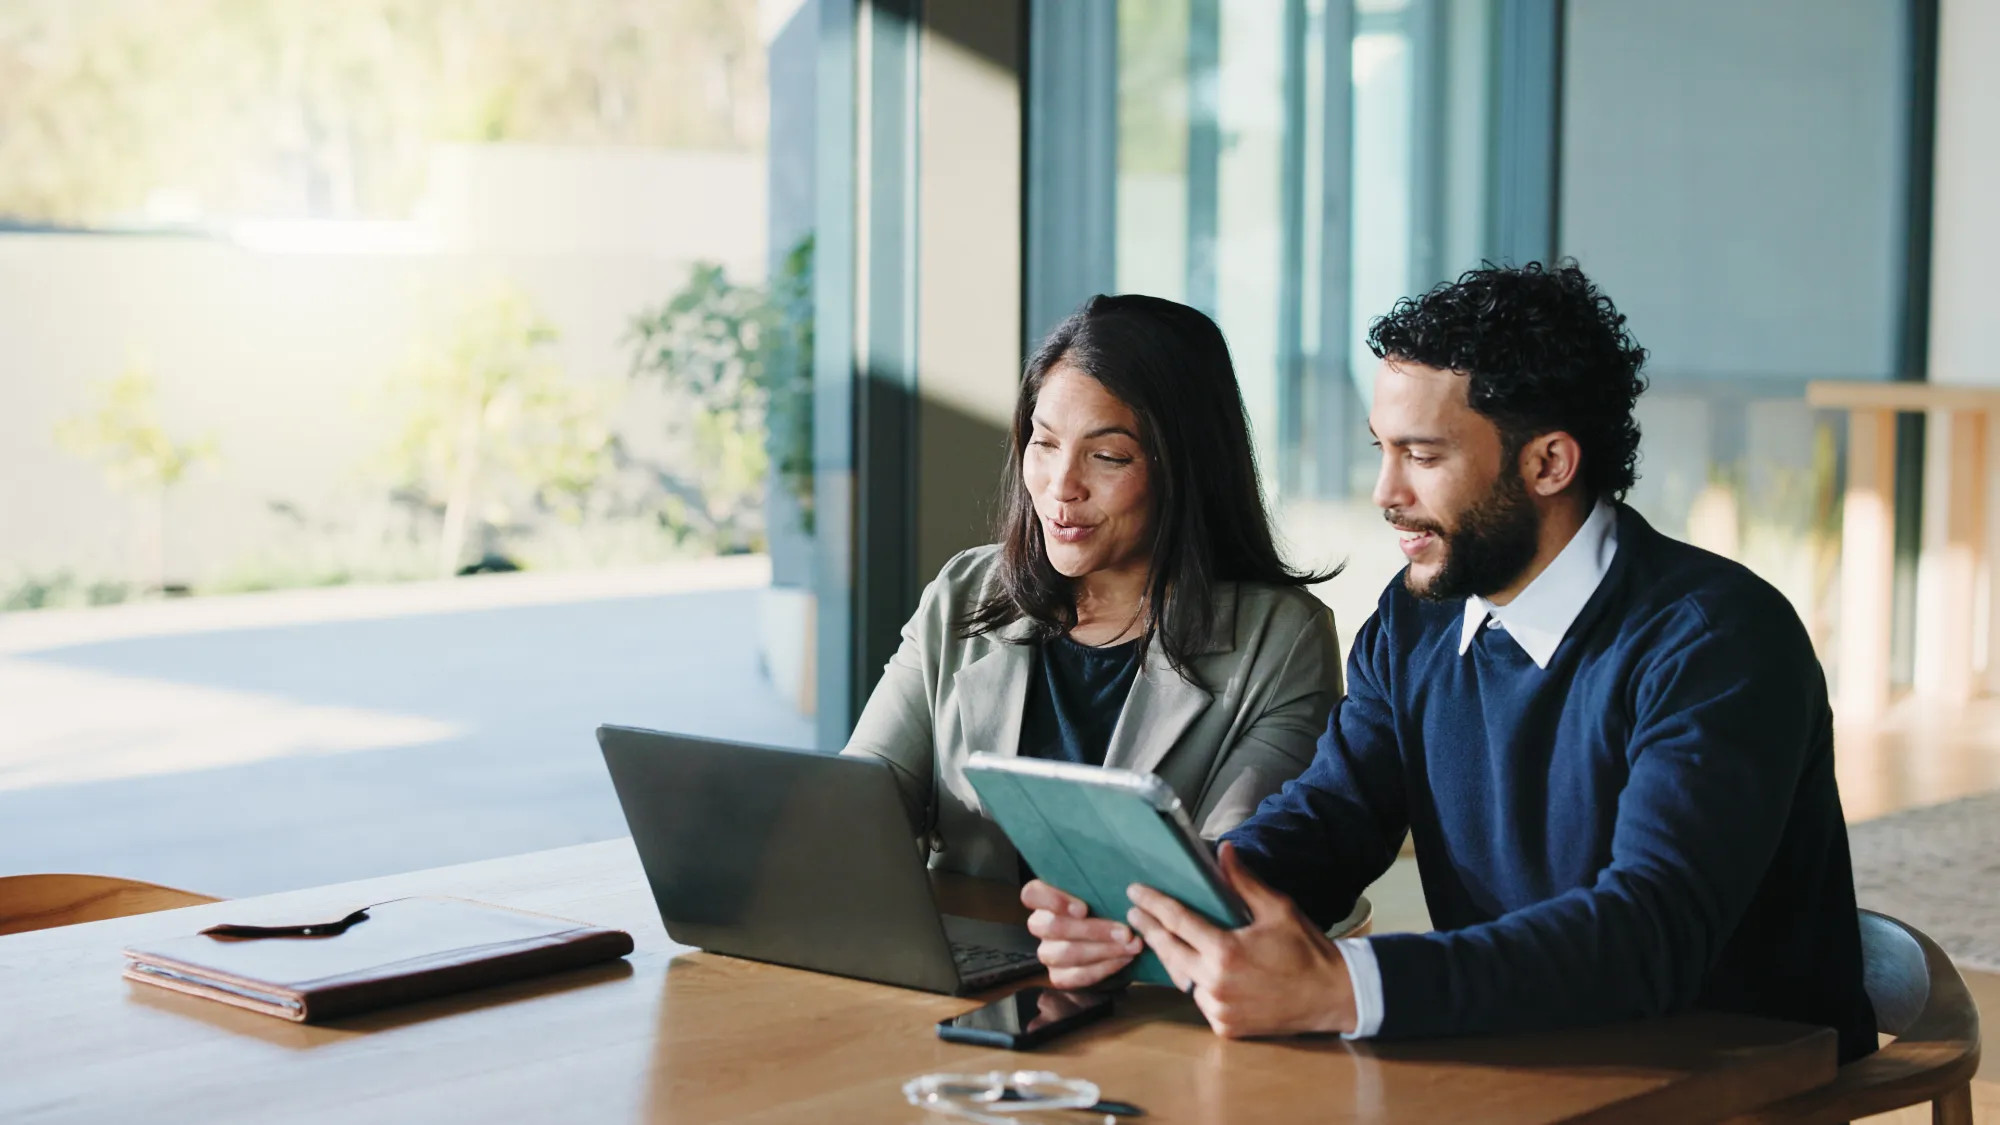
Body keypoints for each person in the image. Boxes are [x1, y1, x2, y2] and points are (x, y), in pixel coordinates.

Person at [1025, 263, 1877, 1062]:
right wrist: (1158, 900)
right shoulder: (1418, 615)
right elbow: (1328, 820)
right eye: (1381, 449)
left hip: (1726, 1080)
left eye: (1423, 456)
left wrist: (1343, 987)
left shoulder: (1715, 641)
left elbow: (1648, 936)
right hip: (1510, 1056)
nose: (1385, 492)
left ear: (1548, 462)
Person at [843, 294, 1342, 883]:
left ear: (1188, 466)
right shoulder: (965, 591)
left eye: (1108, 456)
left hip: (1143, 972)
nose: (1061, 486)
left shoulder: (1280, 641)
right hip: (959, 961)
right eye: (1045, 443)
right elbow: (858, 805)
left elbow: (1230, 878)